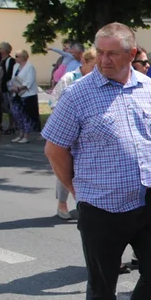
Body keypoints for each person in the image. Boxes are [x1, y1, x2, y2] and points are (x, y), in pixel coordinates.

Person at [42, 22, 151, 300]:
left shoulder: (148, 86)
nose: (103, 60)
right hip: (101, 207)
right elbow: (55, 149)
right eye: (99, 52)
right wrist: (78, 189)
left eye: (112, 53)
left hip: (148, 199)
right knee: (104, 287)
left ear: (132, 54)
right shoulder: (78, 94)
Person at [50, 48, 97, 220]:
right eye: (93, 66)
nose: (96, 70)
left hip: (88, 133)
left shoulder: (98, 80)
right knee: (66, 167)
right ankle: (62, 204)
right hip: (69, 132)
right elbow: (54, 103)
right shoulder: (69, 79)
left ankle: (86, 203)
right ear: (84, 63)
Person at [8, 50, 40, 144]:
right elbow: (13, 78)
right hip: (16, 93)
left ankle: (26, 135)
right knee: (18, 114)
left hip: (27, 94)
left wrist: (19, 87)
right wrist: (12, 86)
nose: (16, 58)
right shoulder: (15, 66)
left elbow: (29, 81)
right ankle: (20, 134)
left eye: (17, 56)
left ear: (23, 57)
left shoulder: (30, 67)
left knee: (27, 115)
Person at [0, 43, 16, 135]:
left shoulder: (10, 60)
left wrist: (0, 79)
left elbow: (9, 75)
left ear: (5, 50)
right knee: (1, 107)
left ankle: (11, 126)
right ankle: (0, 125)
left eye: (0, 48)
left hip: (6, 87)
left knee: (9, 107)